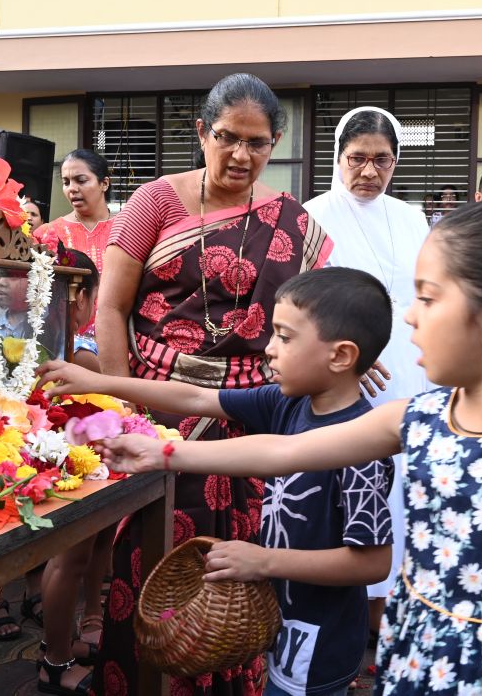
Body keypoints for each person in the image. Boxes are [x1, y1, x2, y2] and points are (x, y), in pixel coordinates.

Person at [90, 201, 482, 695]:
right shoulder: (417, 419)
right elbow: (281, 453)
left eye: (427, 298)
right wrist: (165, 454)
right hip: (422, 666)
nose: (408, 318)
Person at [40, 267, 394, 696]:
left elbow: (372, 563)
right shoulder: (290, 404)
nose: (269, 349)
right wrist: (100, 381)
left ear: (340, 356)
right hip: (282, 623)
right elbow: (196, 396)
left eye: (285, 337)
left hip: (320, 644)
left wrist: (264, 561)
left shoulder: (362, 450)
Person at [93, 72, 332, 695]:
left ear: (274, 144)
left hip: (249, 412)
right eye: (227, 137)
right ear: (202, 133)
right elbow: (110, 307)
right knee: (147, 560)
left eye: (257, 143)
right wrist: (123, 408)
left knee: (239, 565)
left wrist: (345, 351)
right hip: (159, 409)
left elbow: (314, 310)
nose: (241, 155)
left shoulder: (291, 219)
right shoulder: (154, 202)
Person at [302, 107, 430, 635]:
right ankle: (349, 617)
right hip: (350, 371)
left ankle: (394, 613)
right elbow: (304, 306)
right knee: (357, 486)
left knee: (405, 486)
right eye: (357, 159)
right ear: (338, 158)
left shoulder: (412, 216)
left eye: (383, 160)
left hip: (414, 366)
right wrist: (346, 355)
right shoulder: (313, 216)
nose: (370, 171)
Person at [35, 249, 106, 695]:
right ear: (79, 296)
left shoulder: (41, 342)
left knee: (72, 556)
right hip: (67, 462)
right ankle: (55, 663)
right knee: (68, 559)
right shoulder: (76, 355)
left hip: (65, 459)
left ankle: (59, 646)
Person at [33, 149, 115, 335]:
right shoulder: (46, 234)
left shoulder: (129, 229)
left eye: (81, 180)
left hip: (117, 338)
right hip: (63, 338)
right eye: (66, 182)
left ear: (104, 183)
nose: (72, 188)